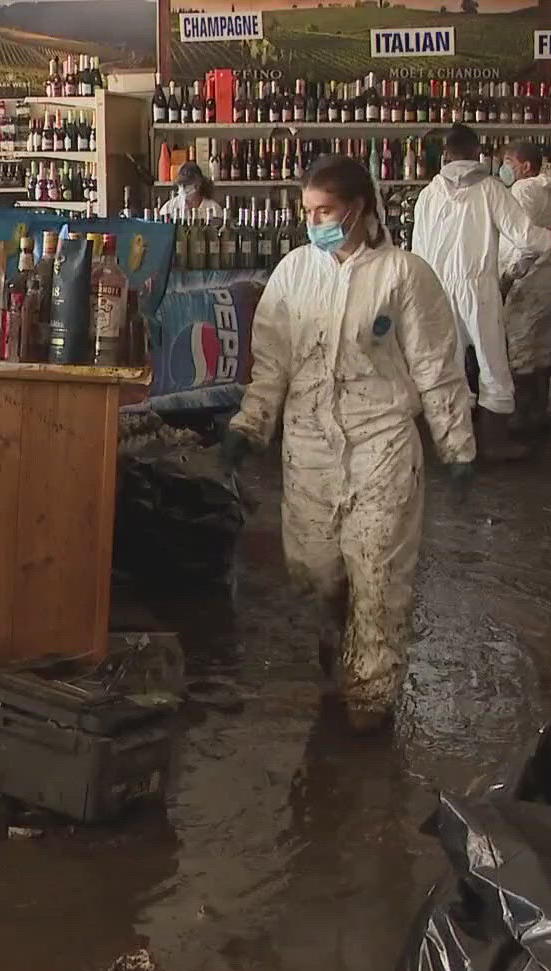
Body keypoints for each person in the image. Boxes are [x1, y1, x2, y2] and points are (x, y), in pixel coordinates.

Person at [218, 154, 472, 733]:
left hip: (381, 443)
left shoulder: (404, 276)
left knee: (378, 577)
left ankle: (370, 704)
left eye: (324, 211)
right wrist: (250, 425)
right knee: (314, 572)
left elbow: (436, 366)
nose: (314, 223)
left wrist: (457, 447)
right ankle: (337, 644)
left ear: (357, 209)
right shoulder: (292, 274)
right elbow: (272, 365)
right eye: (307, 212)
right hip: (308, 446)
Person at [410, 125, 551, 461]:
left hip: (436, 287)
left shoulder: (429, 193)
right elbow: (527, 238)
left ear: (446, 155)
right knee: (492, 363)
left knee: (448, 366)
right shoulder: (490, 189)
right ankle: (495, 444)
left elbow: (418, 250)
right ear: (476, 152)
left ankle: (453, 444)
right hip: (479, 287)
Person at [499, 142, 551, 435]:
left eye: (508, 161)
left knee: (521, 346)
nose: (504, 168)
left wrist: (509, 275)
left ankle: (522, 417)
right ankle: (542, 413)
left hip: (532, 278)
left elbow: (525, 241)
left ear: (525, 166)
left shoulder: (524, 190)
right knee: (542, 346)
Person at [157, 162, 225, 220]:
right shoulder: (169, 208)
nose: (182, 189)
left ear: (198, 185)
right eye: (180, 185)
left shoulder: (214, 209)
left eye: (186, 185)